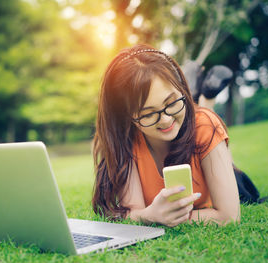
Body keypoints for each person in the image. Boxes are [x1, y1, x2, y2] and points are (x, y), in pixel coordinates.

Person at [92, 44, 240, 227]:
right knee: (186, 116)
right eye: (148, 114)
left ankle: (204, 98)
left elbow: (229, 216)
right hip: (187, 121)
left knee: (202, 120)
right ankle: (192, 97)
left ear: (180, 89)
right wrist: (150, 216)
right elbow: (132, 212)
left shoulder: (205, 126)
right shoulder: (127, 139)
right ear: (127, 116)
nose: (165, 120)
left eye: (171, 102)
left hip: (207, 151)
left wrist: (165, 218)